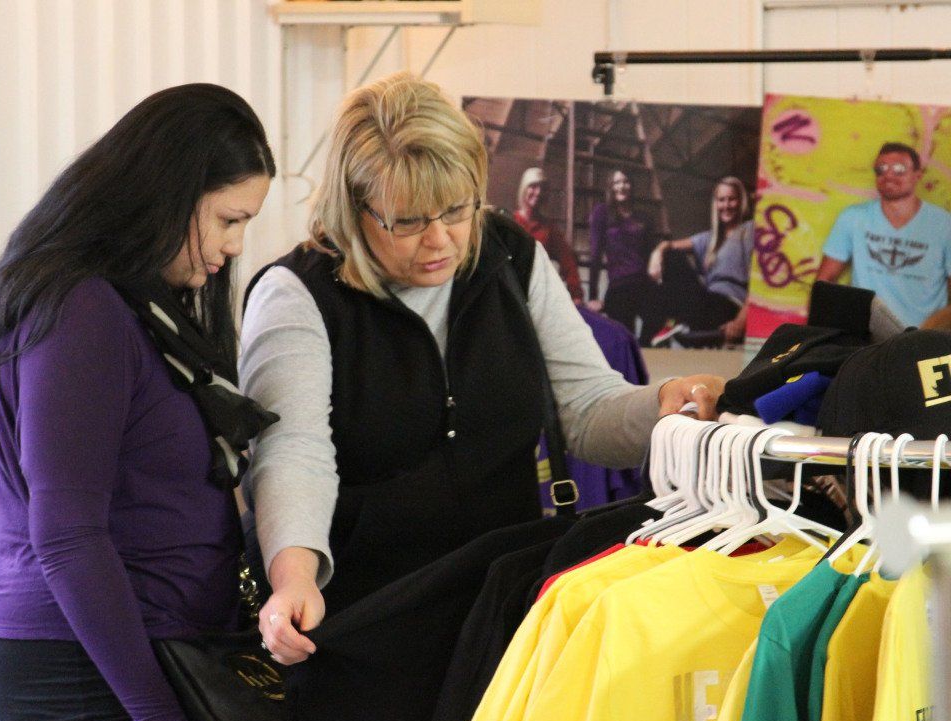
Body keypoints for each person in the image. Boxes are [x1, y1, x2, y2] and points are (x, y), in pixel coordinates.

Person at [239, 71, 724, 677]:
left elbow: (589, 410)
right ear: (353, 209)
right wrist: (294, 579)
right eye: (408, 221)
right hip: (363, 620)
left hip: (503, 607)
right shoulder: (297, 295)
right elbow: (293, 455)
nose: (440, 239)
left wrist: (665, 405)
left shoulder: (509, 255)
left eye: (456, 209)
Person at [0, 84, 274, 721]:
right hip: (89, 676)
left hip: (131, 661)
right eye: (228, 219)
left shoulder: (123, 303)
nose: (236, 245)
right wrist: (158, 719)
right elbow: (67, 535)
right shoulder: (82, 310)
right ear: (168, 195)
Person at [816, 142, 951, 328]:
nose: (888, 175)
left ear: (917, 175)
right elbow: (824, 282)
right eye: (881, 169)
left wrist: (937, 334)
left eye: (899, 169)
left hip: (922, 340)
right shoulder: (853, 217)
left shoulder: (944, 224)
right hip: (866, 337)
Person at [646, 175, 756, 346]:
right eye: (721, 200)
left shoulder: (749, 230)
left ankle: (679, 324)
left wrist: (740, 322)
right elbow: (669, 246)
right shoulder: (709, 239)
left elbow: (760, 282)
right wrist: (657, 253)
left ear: (741, 201)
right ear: (715, 204)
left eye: (731, 199)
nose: (726, 205)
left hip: (731, 306)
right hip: (707, 304)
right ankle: (673, 325)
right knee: (670, 256)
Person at [587, 169, 661, 343]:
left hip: (643, 283)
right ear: (611, 188)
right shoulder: (602, 212)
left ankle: (644, 350)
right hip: (619, 287)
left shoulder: (644, 217)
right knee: (624, 337)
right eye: (616, 182)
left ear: (631, 186)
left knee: (659, 318)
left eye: (625, 181)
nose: (621, 186)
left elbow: (653, 253)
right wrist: (592, 296)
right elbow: (595, 255)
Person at [512, 167, 583, 302]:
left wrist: (576, 295)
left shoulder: (549, 228)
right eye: (533, 186)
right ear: (524, 188)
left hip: (537, 297)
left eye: (543, 188)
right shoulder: (509, 222)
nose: (538, 192)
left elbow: (568, 261)